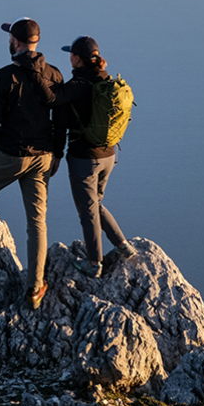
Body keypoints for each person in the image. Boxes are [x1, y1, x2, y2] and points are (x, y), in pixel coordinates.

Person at [0, 17, 65, 309]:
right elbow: (61, 117)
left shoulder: (4, 76)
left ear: (16, 42)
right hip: (43, 157)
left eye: (10, 37)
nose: (8, 40)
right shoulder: (54, 74)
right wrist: (58, 153)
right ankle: (35, 288)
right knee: (37, 221)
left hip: (11, 155)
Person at [36, 35, 133, 278]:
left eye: (71, 54)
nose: (69, 57)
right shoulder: (106, 81)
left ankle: (94, 263)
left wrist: (57, 153)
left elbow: (55, 106)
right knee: (95, 205)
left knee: (87, 211)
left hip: (84, 159)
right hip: (109, 155)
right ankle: (123, 246)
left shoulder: (77, 86)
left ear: (78, 59)